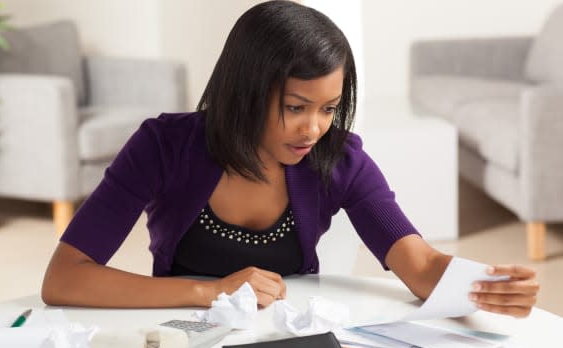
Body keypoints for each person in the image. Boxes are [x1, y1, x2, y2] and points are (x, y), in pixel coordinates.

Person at [41, 0, 538, 317]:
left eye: (328, 108)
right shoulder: (164, 147)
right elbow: (65, 277)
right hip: (183, 337)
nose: (313, 129)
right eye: (295, 107)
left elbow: (421, 263)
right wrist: (208, 293)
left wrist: (486, 286)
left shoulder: (340, 159)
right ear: (245, 91)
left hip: (288, 345)